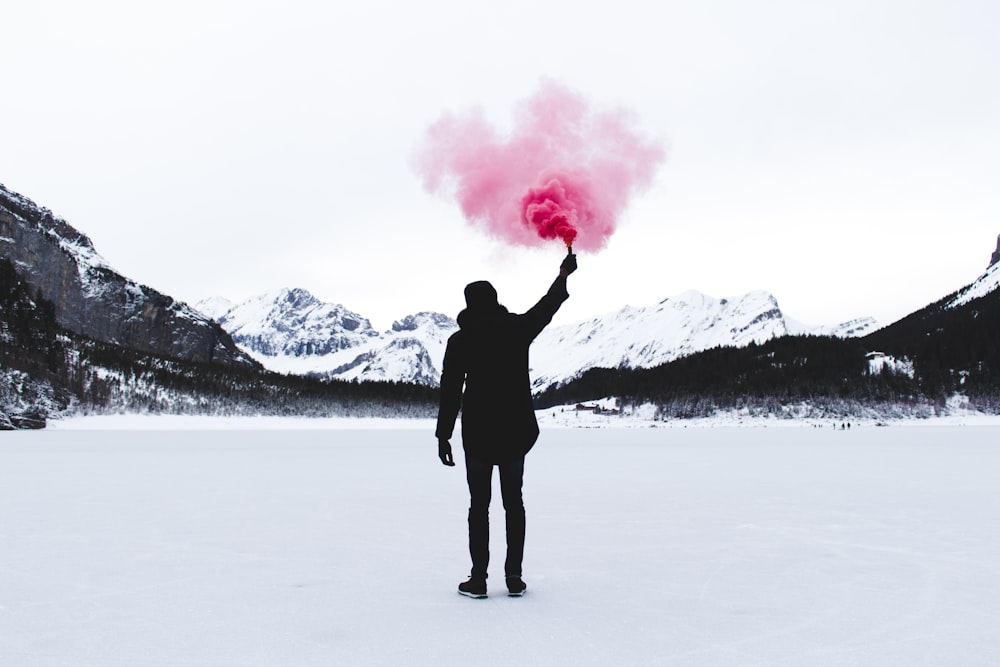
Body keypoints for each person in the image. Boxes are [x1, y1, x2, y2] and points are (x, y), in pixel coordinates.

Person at [436, 250, 578, 598]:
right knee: (514, 503)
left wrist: (443, 436)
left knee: (479, 506)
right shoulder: (516, 329)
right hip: (515, 433)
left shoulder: (460, 341)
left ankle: (479, 580)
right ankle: (513, 578)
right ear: (495, 300)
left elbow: (451, 390)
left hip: (479, 435)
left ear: (468, 306)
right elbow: (546, 308)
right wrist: (563, 276)